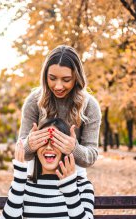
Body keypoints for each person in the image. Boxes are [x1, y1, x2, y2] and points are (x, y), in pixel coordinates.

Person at [0, 118, 95, 219]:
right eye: (43, 141)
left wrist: (70, 191)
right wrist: (19, 179)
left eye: (56, 142)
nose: (49, 147)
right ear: (35, 147)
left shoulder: (82, 186)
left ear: (66, 147)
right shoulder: (23, 184)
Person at [18, 45, 101, 177]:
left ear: (76, 78)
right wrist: (29, 144)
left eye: (66, 80)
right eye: (52, 78)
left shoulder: (90, 106)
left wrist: (74, 148)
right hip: (38, 175)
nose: (58, 86)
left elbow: (91, 156)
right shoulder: (34, 101)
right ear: (45, 76)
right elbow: (20, 149)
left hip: (74, 176)